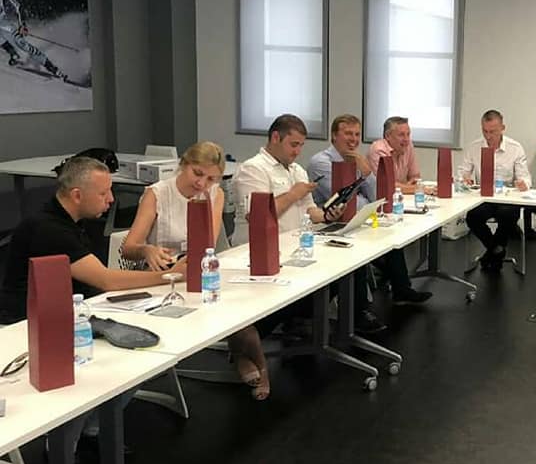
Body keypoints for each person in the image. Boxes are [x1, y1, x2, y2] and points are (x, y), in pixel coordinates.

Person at [120, 142, 270, 400]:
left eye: (211, 179)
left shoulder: (214, 194)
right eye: (197, 174)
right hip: (163, 275)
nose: (202, 183)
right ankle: (247, 361)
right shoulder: (157, 194)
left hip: (197, 268)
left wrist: (195, 263)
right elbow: (129, 248)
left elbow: (207, 242)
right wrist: (147, 250)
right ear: (184, 164)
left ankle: (252, 362)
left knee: (241, 315)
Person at [233, 114, 385, 339]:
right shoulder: (253, 169)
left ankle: (331, 318)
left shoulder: (296, 170)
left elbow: (311, 211)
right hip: (260, 253)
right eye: (293, 144)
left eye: (301, 145)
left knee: (347, 263)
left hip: (295, 247)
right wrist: (293, 194)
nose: (297, 151)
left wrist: (327, 215)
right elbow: (257, 216)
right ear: (275, 138)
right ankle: (263, 327)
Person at [0, 156, 186, 324]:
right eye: (103, 193)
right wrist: (170, 275)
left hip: (64, 311)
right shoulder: (50, 230)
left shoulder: (71, 220)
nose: (111, 199)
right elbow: (105, 280)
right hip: (26, 324)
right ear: (77, 195)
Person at [307, 114, 431, 304]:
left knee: (389, 235)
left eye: (357, 134)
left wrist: (366, 172)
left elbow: (377, 197)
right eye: (348, 134)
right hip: (328, 226)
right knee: (367, 243)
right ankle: (359, 310)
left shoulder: (356, 160)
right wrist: (365, 199)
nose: (354, 139)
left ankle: (402, 290)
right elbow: (347, 202)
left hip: (354, 220)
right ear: (334, 136)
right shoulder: (321, 162)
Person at [459, 109, 531, 271]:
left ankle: (492, 252)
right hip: (483, 197)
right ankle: (497, 250)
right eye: (485, 131)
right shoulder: (474, 147)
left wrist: (523, 184)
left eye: (493, 131)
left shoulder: (515, 148)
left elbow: (525, 178)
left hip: (507, 198)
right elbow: (462, 172)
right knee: (472, 217)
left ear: (502, 128)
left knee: (508, 215)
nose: (488, 136)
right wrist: (465, 179)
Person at [368, 116, 432, 195]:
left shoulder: (408, 145)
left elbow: (415, 177)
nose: (406, 139)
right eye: (401, 135)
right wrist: (417, 188)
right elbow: (388, 186)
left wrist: (408, 186)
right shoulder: (378, 150)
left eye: (408, 134)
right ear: (387, 136)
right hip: (378, 198)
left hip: (398, 196)